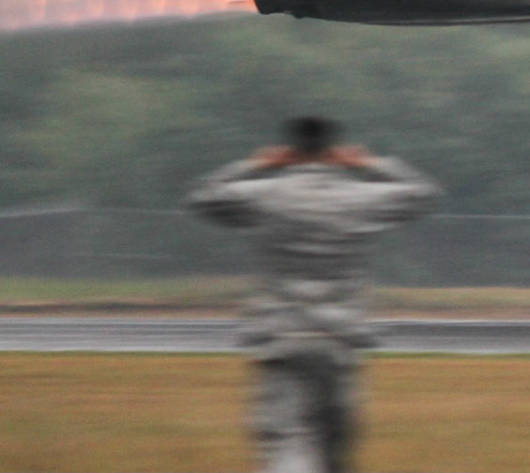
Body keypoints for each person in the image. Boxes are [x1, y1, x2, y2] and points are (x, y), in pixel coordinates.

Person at [187, 117, 441, 473]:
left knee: (285, 438)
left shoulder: (264, 194)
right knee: (334, 449)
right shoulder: (359, 197)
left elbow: (204, 197)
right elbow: (422, 195)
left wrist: (255, 164)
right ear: (334, 150)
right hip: (340, 336)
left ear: (290, 150)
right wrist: (370, 164)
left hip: (281, 334)